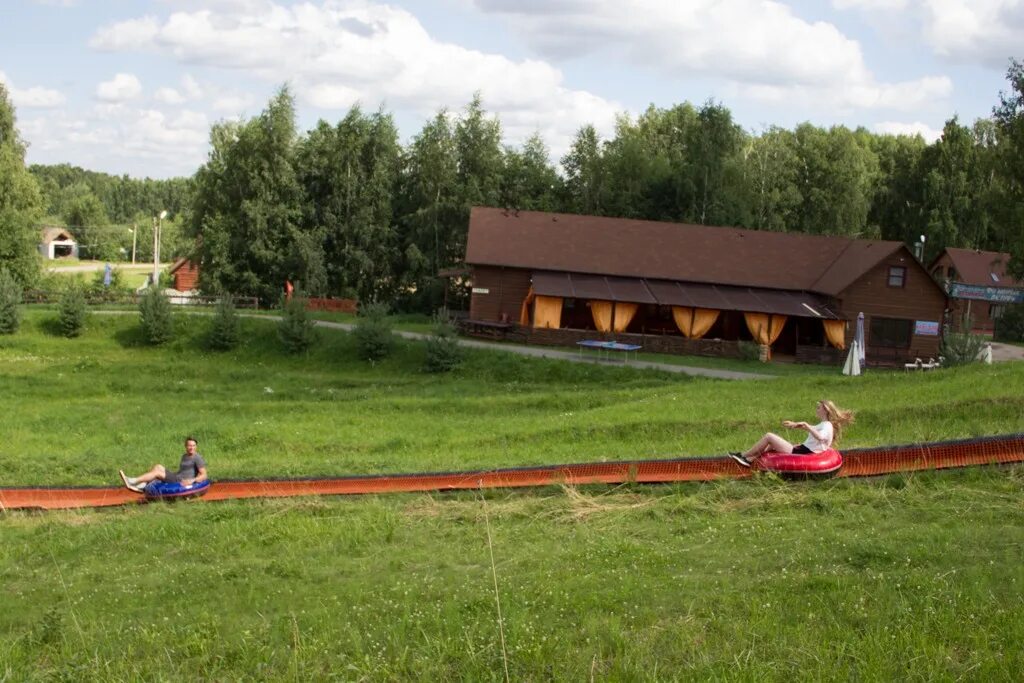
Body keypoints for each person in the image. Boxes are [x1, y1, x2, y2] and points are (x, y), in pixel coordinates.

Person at [728, 400, 854, 468]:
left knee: (769, 436)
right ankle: (749, 459)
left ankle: (743, 455)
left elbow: (820, 437)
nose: (817, 409)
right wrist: (796, 424)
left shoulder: (827, 425)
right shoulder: (823, 424)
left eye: (818, 407)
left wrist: (806, 425)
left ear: (825, 410)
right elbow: (812, 430)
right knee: (772, 445)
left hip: (802, 453)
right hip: (802, 449)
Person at [119, 436, 208, 493]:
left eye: (193, 445)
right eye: (189, 445)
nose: (191, 448)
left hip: (181, 481)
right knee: (157, 466)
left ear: (196, 446)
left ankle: (133, 481)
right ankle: (143, 485)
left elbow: (204, 475)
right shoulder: (184, 456)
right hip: (176, 477)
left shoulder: (197, 458)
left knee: (158, 473)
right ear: (186, 446)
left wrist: (192, 480)